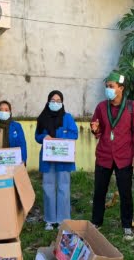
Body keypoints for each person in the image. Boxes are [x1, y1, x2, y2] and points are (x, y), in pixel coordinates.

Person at [90, 71, 134, 241]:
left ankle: (127, 225)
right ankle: (96, 222)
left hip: (124, 156)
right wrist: (95, 129)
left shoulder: (132, 107)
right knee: (99, 190)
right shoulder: (101, 107)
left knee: (125, 192)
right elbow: (97, 129)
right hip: (104, 154)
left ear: (121, 88)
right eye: (107, 87)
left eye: (111, 87)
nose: (108, 90)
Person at [35, 90, 78, 231]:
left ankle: (62, 219)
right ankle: (49, 219)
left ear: (62, 102)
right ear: (48, 102)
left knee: (63, 187)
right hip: (47, 158)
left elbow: (74, 134)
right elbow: (37, 136)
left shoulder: (67, 117)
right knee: (48, 187)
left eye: (58, 100)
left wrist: (60, 134)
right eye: (53, 100)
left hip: (63, 158)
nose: (55, 103)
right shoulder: (42, 118)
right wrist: (44, 137)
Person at [0, 100, 27, 167]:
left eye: (6, 110)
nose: (3, 112)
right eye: (1, 110)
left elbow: (22, 144)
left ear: (10, 112)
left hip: (14, 164)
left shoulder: (16, 126)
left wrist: (23, 160)